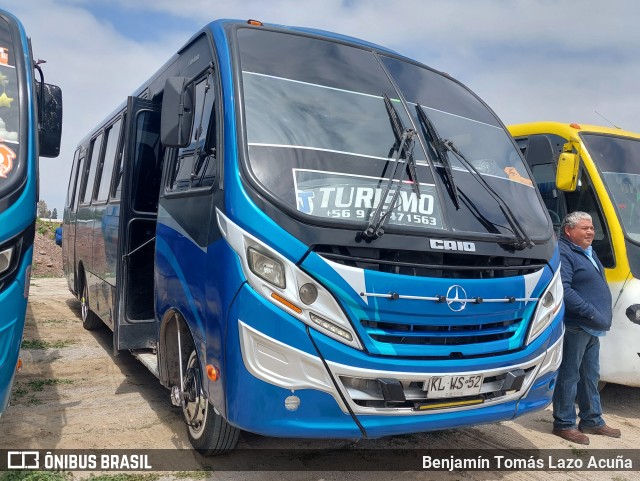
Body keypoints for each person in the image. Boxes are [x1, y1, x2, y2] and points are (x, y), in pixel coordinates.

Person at [552, 211, 621, 444]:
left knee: (590, 375)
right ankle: (564, 423)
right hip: (577, 324)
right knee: (569, 375)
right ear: (569, 231)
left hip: (591, 327)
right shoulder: (564, 251)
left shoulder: (586, 251)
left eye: (591, 227)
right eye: (584, 228)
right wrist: (591, 312)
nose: (591, 231)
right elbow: (565, 290)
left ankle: (592, 420)